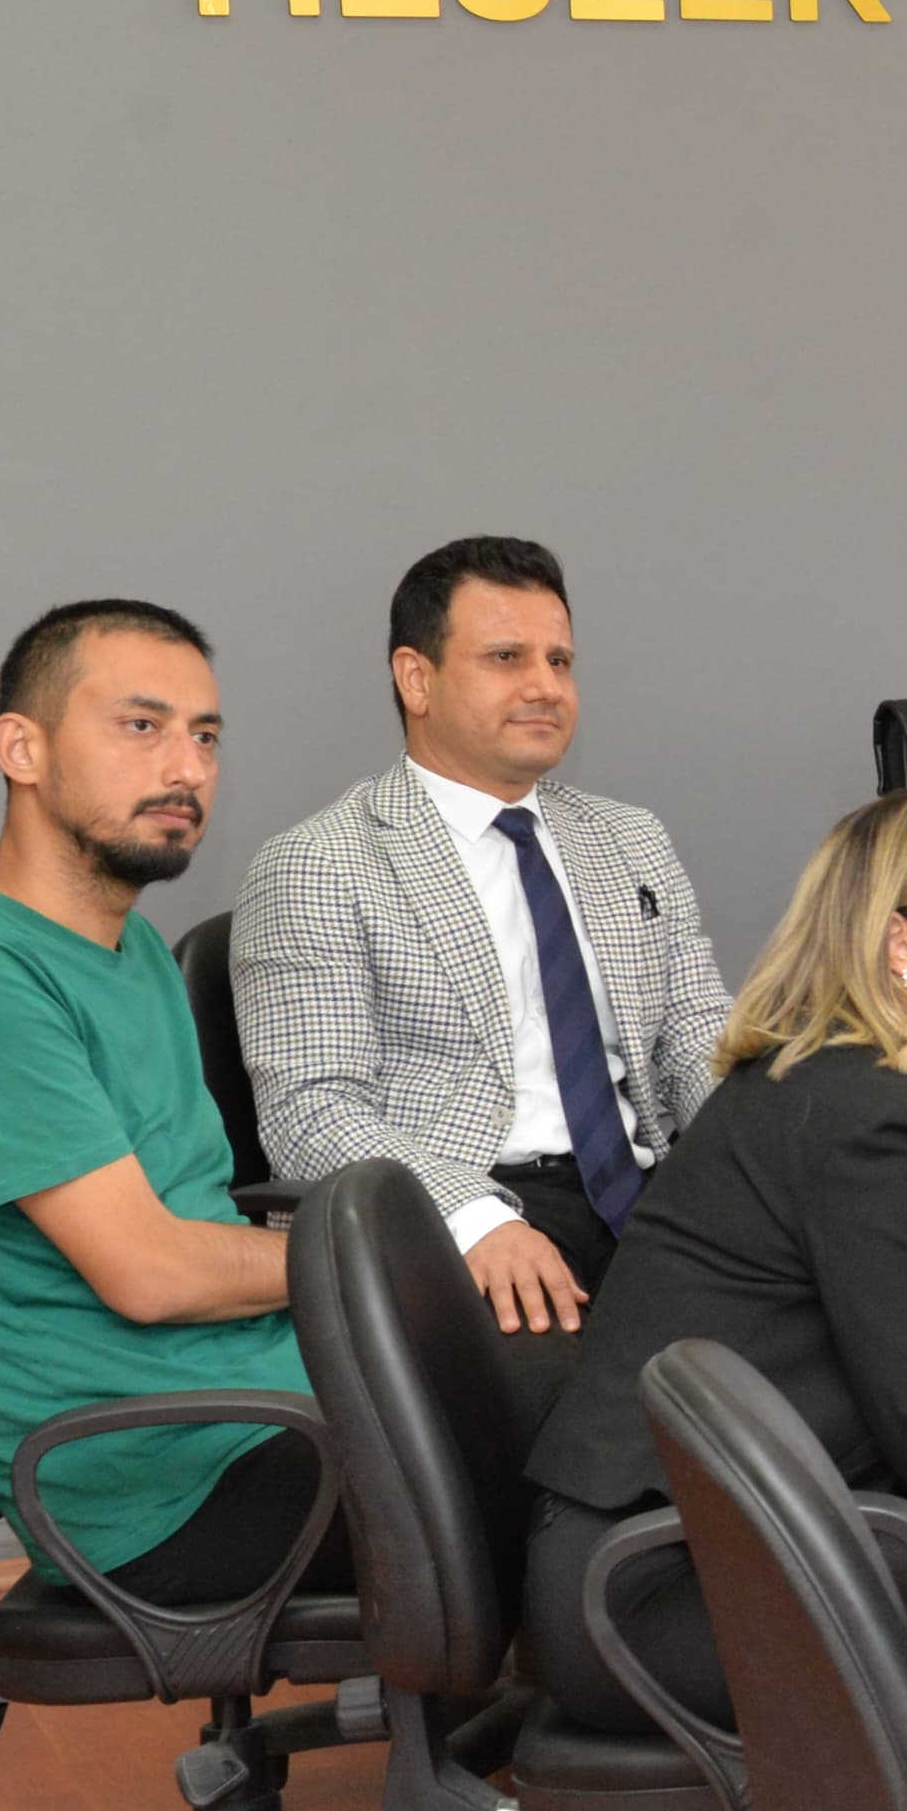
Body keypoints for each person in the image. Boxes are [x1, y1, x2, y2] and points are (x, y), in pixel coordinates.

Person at [523, 789, 907, 1743]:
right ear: (901, 945)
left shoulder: (821, 1081)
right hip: (669, 1595)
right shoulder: (877, 1125)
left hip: (652, 1561)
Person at [0, 602, 323, 1613]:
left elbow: (187, 1224)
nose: (185, 768)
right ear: (23, 748)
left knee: (577, 1399)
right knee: (568, 1469)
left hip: (262, 1409)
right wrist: (374, 1267)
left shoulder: (129, 945)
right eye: (142, 726)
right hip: (163, 1496)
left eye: (205, 736)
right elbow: (151, 1271)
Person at [235, 537, 731, 1341]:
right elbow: (311, 1110)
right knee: (612, 1392)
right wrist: (471, 1216)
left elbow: (698, 1036)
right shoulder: (321, 862)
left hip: (647, 1194)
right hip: (458, 1210)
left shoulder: (628, 838)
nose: (545, 686)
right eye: (506, 657)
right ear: (416, 678)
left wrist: (764, 1164)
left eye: (560, 661)